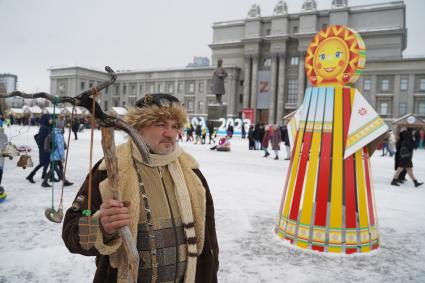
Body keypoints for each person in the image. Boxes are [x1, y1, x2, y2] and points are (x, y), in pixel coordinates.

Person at [62, 93, 219, 283]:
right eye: (161, 124)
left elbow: (210, 240)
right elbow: (72, 231)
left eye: (175, 126)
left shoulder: (192, 173)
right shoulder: (109, 172)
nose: (170, 133)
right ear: (138, 127)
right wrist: (101, 227)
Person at [26, 114, 52, 184]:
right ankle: (31, 175)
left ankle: (44, 174)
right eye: (50, 119)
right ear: (46, 120)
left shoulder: (48, 127)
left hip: (47, 148)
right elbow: (41, 139)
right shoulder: (43, 128)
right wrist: (44, 148)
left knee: (48, 161)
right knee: (42, 163)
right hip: (43, 148)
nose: (51, 120)